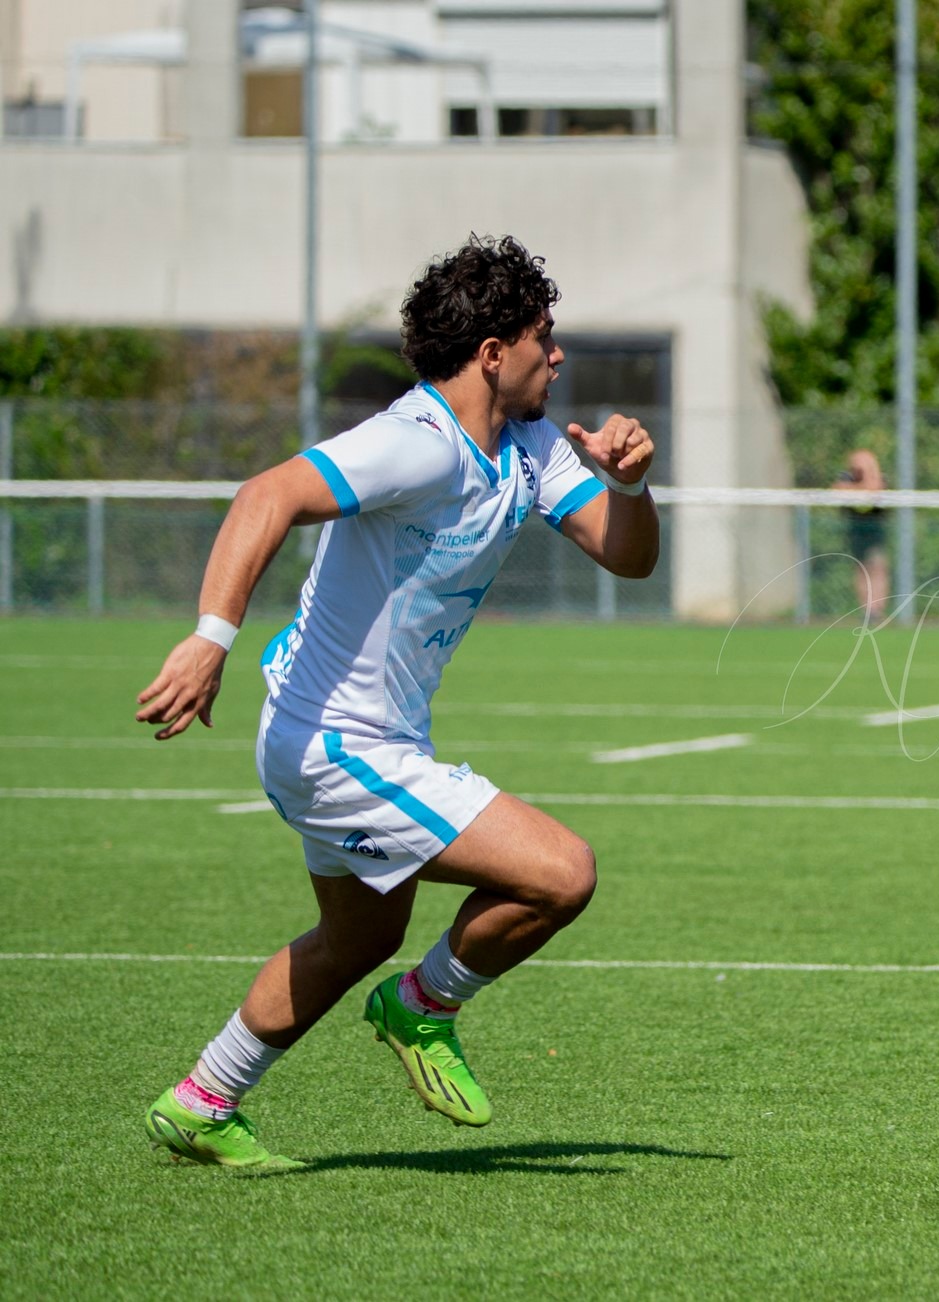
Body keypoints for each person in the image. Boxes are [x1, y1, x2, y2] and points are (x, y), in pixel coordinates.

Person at [136, 235, 660, 1168]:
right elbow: (267, 493)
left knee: (358, 936)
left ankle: (203, 1100)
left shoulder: (531, 447)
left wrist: (632, 486)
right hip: (338, 746)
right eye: (545, 334)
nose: (560, 353)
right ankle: (425, 1005)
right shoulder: (412, 445)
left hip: (350, 738)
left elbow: (627, 554)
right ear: (493, 353)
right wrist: (210, 637)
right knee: (562, 872)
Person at [834, 448, 890, 619]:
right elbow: (838, 490)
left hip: (875, 532)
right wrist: (859, 487)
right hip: (856, 530)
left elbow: (875, 489)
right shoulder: (846, 477)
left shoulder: (879, 477)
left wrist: (867, 476)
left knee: (878, 568)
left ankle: (877, 609)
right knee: (861, 570)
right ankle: (867, 609)